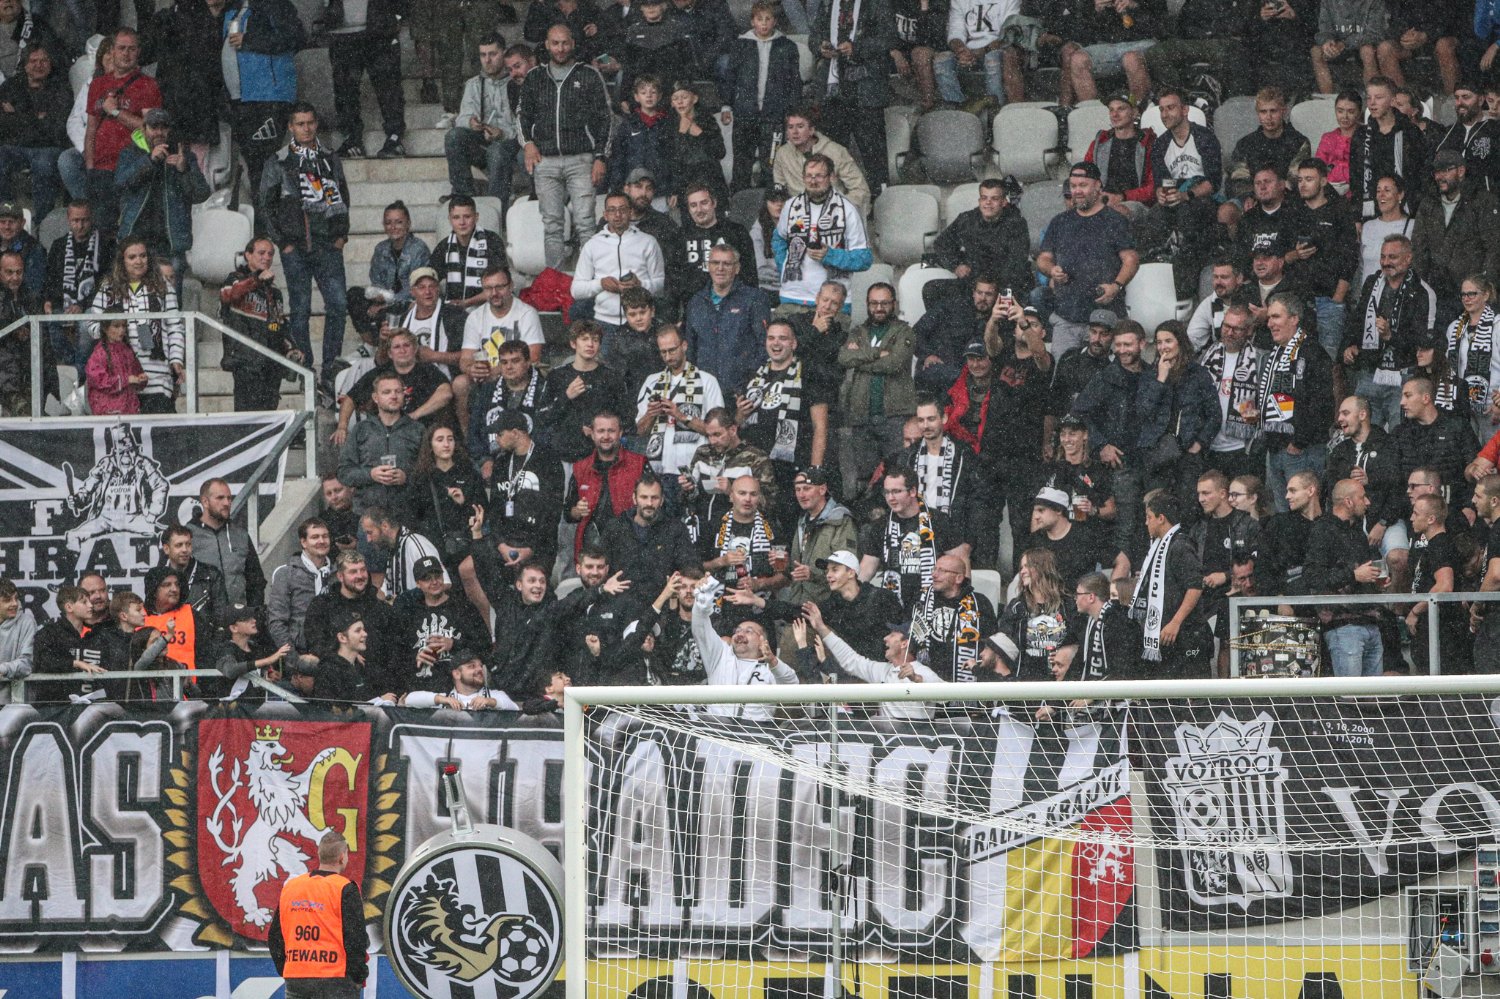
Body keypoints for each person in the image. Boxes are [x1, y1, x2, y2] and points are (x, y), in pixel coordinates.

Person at [259, 103, 350, 395]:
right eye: (300, 124)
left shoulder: (329, 157)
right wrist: (282, 243)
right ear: (291, 127)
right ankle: (306, 368)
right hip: (295, 246)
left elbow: (342, 195)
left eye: (310, 122)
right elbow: (266, 204)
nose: (306, 128)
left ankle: (331, 366)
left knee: (338, 305)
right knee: (300, 309)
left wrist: (341, 235)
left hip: (327, 244)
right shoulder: (279, 160)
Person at [1073, 322, 1170, 563]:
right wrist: (1100, 445)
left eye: (1128, 344)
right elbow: (1080, 411)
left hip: (1152, 461)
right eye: (1118, 345)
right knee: (1125, 527)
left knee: (1156, 523)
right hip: (1121, 462)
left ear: (1142, 344)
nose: (1122, 350)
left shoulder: (1153, 374)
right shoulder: (1106, 377)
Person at [518, 24, 611, 268]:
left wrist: (600, 156)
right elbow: (522, 115)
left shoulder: (589, 74)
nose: (560, 48)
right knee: (552, 225)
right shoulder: (535, 76)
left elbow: (605, 118)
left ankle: (590, 277)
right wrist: (527, 143)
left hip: (581, 159)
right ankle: (554, 280)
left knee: (585, 223)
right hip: (545, 160)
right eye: (555, 43)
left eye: (565, 43)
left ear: (573, 44)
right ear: (547, 45)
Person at [1036, 162, 1139, 359]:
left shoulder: (1115, 220)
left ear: (1098, 186)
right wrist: (1052, 270)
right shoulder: (1060, 221)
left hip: (1107, 319)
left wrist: (1116, 286)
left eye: (1083, 185)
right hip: (1067, 317)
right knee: (1063, 373)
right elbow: (1043, 259)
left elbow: (1131, 259)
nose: (1077, 191)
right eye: (1073, 186)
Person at [1344, 234, 1437, 429]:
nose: (1386, 262)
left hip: (1403, 377)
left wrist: (1390, 336)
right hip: (1370, 372)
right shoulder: (1372, 282)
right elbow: (1357, 319)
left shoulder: (1422, 292)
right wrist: (1350, 344)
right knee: (1365, 434)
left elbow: (1422, 341)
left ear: (1408, 258)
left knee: (1399, 435)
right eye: (1383, 256)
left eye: (1392, 257)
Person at [85, 239, 184, 413]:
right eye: (132, 257)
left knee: (158, 424)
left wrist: (176, 359)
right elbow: (92, 322)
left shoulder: (163, 285)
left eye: (143, 256)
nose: (139, 261)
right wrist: (111, 332)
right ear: (122, 261)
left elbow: (174, 325)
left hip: (156, 375)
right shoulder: (108, 288)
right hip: (121, 374)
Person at [837, 283, 915, 501]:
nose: (879, 308)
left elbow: (894, 363)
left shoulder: (904, 331)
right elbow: (844, 357)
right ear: (867, 304)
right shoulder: (857, 332)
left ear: (894, 304)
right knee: (865, 479)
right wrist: (877, 353)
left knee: (898, 476)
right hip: (861, 415)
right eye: (874, 303)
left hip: (895, 416)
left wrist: (861, 358)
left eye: (884, 303)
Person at [268, 828, 369, 995]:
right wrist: (357, 977)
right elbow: (356, 939)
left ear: (319, 854)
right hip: (335, 979)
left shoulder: (291, 887)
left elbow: (275, 937)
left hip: (297, 978)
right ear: (342, 856)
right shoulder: (345, 888)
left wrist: (287, 968)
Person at [808, 0, 894, 194]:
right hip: (834, 92)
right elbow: (813, 37)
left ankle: (880, 199)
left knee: (874, 156)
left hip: (865, 91)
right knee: (832, 156)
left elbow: (888, 38)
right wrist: (820, 47)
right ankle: (833, 200)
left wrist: (856, 48)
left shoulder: (877, 4)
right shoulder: (827, 3)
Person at [114, 107, 211, 277]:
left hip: (170, 243)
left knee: (172, 293)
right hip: (136, 239)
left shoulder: (184, 156)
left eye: (164, 127)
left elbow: (201, 194)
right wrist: (149, 161)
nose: (159, 132)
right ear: (144, 129)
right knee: (134, 291)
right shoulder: (130, 153)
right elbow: (120, 184)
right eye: (154, 127)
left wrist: (184, 170)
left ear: (170, 130)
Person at [1305, 478, 1387, 677]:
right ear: (1348, 502)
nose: (1367, 502)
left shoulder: (1357, 532)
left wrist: (1377, 579)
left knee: (1373, 694)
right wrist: (1354, 575)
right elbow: (1312, 576)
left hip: (1369, 622)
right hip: (1344, 626)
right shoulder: (1322, 530)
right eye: (1362, 497)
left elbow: (1364, 571)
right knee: (1350, 693)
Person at [220, 0, 304, 193]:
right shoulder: (234, 7)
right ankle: (262, 209)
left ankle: (269, 210)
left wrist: (249, 40)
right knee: (253, 162)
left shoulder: (276, 4)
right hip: (240, 98)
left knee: (264, 161)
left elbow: (296, 37)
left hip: (269, 96)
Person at [84, 30, 161, 234]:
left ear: (138, 52)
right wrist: (90, 167)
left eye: (131, 49)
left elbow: (151, 129)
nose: (126, 54)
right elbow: (91, 129)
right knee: (102, 231)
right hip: (101, 168)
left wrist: (116, 112)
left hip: (131, 167)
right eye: (121, 48)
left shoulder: (148, 85)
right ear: (112, 51)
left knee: (129, 231)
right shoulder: (98, 84)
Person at [1259, 293, 1333, 506]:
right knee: (1283, 515)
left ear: (1294, 319)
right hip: (1276, 446)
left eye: (1276, 317)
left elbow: (1323, 404)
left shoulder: (1312, 352)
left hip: (1302, 450)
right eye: (1269, 318)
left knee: (1304, 512)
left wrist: (1299, 441)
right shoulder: (1275, 354)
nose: (1270, 323)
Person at [772, 154, 872, 312]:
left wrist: (830, 255)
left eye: (819, 176)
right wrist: (784, 265)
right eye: (809, 176)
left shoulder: (847, 209)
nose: (813, 181)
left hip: (832, 301)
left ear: (831, 177)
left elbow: (864, 259)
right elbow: (778, 239)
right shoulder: (791, 205)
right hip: (792, 297)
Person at [1129, 491, 1211, 677]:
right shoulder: (1158, 546)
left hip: (1186, 635)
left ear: (1161, 519)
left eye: (1149, 517)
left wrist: (1175, 622)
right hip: (1168, 639)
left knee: (1191, 692)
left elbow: (1195, 586)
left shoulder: (1180, 545)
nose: (1146, 522)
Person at [859, 468, 968, 608]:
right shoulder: (880, 526)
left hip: (934, 605)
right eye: (887, 492)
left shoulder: (939, 521)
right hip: (894, 606)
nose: (891, 498)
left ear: (912, 491)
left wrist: (963, 599)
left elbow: (961, 561)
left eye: (897, 491)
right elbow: (867, 567)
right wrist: (854, 594)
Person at [1413, 151, 1500, 327]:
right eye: (1436, 172)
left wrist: (1486, 289)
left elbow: (1493, 248)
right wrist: (1419, 289)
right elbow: (1419, 249)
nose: (1439, 177)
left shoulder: (1482, 201)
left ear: (1461, 171)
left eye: (1445, 170)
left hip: (1473, 293)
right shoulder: (1428, 204)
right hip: (1437, 293)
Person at [636, 324, 725, 490]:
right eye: (663, 352)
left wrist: (681, 416)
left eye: (672, 350)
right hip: (660, 468)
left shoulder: (707, 381)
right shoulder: (651, 382)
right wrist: (650, 414)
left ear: (684, 345)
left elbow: (719, 431)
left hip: (696, 467)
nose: (668, 357)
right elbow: (640, 431)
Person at [219, 236, 300, 411]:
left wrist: (291, 347)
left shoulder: (274, 291)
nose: (266, 257)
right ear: (248, 255)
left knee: (270, 415)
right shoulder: (234, 278)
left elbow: (277, 325)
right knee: (246, 417)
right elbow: (228, 295)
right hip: (245, 361)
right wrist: (256, 280)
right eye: (261, 253)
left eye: (270, 254)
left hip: (270, 363)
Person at [1190, 470, 1260, 673]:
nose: (1201, 499)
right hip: (1204, 601)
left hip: (1236, 598)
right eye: (1199, 494)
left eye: (1206, 493)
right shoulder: (1198, 528)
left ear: (1222, 493)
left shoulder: (1247, 524)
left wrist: (1226, 576)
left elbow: (1258, 563)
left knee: (1229, 647)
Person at [727, 3, 799, 191]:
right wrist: (727, 105)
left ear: (775, 21)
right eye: (760, 19)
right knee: (742, 163)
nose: (764, 23)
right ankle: (739, 201)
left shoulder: (787, 46)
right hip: (745, 114)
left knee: (772, 163)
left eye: (768, 19)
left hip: (774, 116)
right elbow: (730, 78)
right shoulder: (740, 45)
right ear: (752, 21)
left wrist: (791, 112)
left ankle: (771, 203)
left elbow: (794, 82)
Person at [571, 190, 666, 333]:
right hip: (604, 323)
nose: (617, 215)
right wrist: (601, 284)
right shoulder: (592, 245)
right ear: (605, 215)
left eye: (622, 209)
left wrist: (640, 285)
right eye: (612, 210)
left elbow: (660, 285)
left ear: (630, 212)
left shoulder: (648, 242)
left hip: (640, 322)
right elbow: (576, 290)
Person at [324, 0, 405, 159]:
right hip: (342, 34)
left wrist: (395, 18)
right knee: (345, 90)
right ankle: (351, 138)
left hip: (379, 31)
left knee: (388, 86)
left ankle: (395, 137)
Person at [445, 35, 519, 207]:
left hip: (510, 144)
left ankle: (495, 206)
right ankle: (463, 196)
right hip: (483, 141)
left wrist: (502, 133)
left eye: (492, 54)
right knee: (454, 136)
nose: (487, 60)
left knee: (497, 150)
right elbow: (462, 118)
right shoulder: (474, 84)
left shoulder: (516, 81)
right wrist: (470, 122)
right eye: (483, 55)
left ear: (504, 53)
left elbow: (523, 125)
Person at [684, 245, 769, 394]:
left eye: (727, 264)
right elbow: (690, 349)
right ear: (708, 266)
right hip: (705, 389)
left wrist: (751, 381)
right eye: (715, 263)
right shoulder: (696, 302)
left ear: (737, 268)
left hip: (742, 389)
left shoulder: (754, 299)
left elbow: (764, 344)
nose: (720, 268)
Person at [338, 372, 424, 517]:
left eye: (398, 391)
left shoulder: (417, 430)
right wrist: (371, 474)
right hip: (367, 515)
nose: (394, 396)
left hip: (407, 514)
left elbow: (428, 471)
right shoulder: (360, 430)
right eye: (386, 392)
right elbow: (344, 473)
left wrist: (406, 477)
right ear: (375, 398)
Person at [1152, 321, 1221, 503]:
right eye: (1159, 342)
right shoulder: (1151, 374)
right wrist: (1160, 379)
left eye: (1168, 341)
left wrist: (1199, 443)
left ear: (1180, 342)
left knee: (1187, 506)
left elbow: (1214, 414)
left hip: (1188, 454)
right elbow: (1144, 410)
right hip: (1158, 455)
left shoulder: (1198, 374)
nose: (1163, 347)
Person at [599, 473, 702, 592]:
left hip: (663, 597)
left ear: (662, 500)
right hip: (622, 598)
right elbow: (600, 566)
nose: (649, 503)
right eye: (644, 497)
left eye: (654, 498)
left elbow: (690, 565)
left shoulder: (675, 529)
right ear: (634, 498)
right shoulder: (615, 528)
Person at [565, 410, 646, 559]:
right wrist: (577, 511)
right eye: (601, 431)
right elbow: (568, 514)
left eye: (611, 431)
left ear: (620, 433)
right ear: (592, 434)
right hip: (592, 549)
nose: (606, 436)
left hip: (630, 546)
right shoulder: (580, 468)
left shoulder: (640, 463)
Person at [0, 46, 70, 218]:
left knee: (43, 164)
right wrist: (37, 118)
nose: (39, 65)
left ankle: (42, 221)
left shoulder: (60, 87)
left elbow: (57, 127)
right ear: (24, 65)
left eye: (44, 60)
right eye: (33, 61)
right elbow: (3, 123)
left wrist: (16, 115)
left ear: (51, 64)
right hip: (14, 147)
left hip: (48, 147)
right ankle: (6, 214)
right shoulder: (10, 86)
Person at [931, 177, 1031, 297]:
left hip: (1005, 283)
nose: (988, 202)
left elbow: (1016, 262)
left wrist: (989, 285)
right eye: (984, 198)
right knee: (931, 289)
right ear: (979, 201)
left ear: (1004, 202)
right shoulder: (967, 219)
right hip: (973, 281)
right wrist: (956, 265)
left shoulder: (1016, 223)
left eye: (994, 199)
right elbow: (941, 244)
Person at [44, 201, 112, 371]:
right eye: (76, 220)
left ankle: (80, 370)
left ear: (91, 219)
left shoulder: (104, 244)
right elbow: (50, 280)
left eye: (84, 220)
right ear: (68, 220)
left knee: (85, 324)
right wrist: (48, 301)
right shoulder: (59, 246)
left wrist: (82, 305)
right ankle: (73, 366)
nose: (80, 225)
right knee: (48, 323)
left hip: (93, 305)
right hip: (64, 305)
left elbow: (106, 283)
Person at [1198, 304, 1264, 480]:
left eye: (1236, 329)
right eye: (1226, 326)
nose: (1229, 332)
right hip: (1209, 445)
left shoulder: (1260, 359)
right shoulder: (1206, 356)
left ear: (1249, 330)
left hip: (1243, 448)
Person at [345, 202, 429, 338]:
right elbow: (376, 280)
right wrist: (378, 296)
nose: (393, 227)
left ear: (408, 224)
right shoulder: (381, 249)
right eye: (388, 223)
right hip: (385, 301)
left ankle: (385, 340)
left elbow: (416, 286)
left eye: (399, 222)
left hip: (406, 301)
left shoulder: (418, 249)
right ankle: (369, 343)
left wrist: (388, 302)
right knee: (354, 295)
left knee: (397, 309)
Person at [1348, 77, 1426, 220]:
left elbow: (1420, 176)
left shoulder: (1410, 133)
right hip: (1370, 212)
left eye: (1378, 97)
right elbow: (1356, 179)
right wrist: (1357, 217)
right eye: (1369, 98)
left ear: (1392, 101)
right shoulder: (1361, 135)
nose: (1372, 103)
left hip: (1406, 212)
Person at [988, 548, 1072, 682]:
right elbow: (1004, 644)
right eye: (1021, 567)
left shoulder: (1067, 605)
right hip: (1024, 681)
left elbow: (1078, 642)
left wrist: (1067, 652)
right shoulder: (1017, 606)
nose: (1022, 571)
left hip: (1059, 681)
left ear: (1043, 567)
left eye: (1027, 566)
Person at [1407, 491, 1468, 674]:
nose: (1411, 518)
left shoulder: (1440, 545)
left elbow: (1444, 586)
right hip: (1436, 627)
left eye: (1416, 513)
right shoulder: (1436, 545)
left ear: (1431, 519)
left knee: (1439, 682)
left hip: (1442, 629)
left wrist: (1415, 611)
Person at [769, 108, 871, 215]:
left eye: (800, 126)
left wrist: (840, 209)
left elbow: (860, 190)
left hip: (834, 213)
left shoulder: (836, 151)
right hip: (799, 215)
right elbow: (779, 191)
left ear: (811, 130)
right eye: (790, 127)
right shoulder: (782, 154)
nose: (795, 132)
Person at [913, 276, 999, 396]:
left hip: (973, 372)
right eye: (979, 293)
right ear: (973, 293)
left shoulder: (999, 318)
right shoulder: (949, 307)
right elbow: (916, 332)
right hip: (941, 368)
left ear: (996, 297)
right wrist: (927, 354)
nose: (983, 298)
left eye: (988, 294)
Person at [188, 478, 265, 606]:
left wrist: (253, 612)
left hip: (238, 614)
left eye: (229, 498)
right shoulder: (188, 535)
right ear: (205, 502)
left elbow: (256, 580)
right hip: (202, 615)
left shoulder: (241, 535)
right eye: (220, 498)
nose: (226, 503)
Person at [1056, 570, 1141, 683]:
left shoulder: (1117, 622)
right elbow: (1078, 664)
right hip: (1097, 690)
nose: (1075, 599)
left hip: (1119, 691)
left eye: (1078, 594)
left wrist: (1094, 692)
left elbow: (1122, 669)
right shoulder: (1089, 623)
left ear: (1091, 597)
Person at [1084, 92, 1156, 219]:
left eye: (1121, 109)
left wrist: (1123, 197)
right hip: (1103, 200)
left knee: (1115, 213)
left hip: (1135, 203)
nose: (1114, 115)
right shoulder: (1099, 143)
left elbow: (1154, 187)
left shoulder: (1148, 144)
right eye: (1111, 110)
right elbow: (1085, 176)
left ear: (1135, 112)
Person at [430, 196, 506, 313]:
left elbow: (500, 285)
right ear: (449, 219)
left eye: (467, 216)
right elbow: (430, 278)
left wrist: (467, 302)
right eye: (456, 217)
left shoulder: (492, 241)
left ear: (476, 217)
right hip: (455, 310)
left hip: (489, 306)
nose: (462, 223)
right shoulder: (445, 246)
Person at [1449, 275, 1500, 446]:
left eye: (1472, 294)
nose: (1467, 298)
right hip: (1463, 405)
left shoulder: (1497, 325)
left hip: (1491, 405)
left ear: (1485, 295)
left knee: (1492, 456)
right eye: (1463, 294)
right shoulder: (1455, 328)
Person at [267, 518, 331, 652]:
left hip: (332, 652)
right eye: (315, 537)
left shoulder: (337, 573)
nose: (321, 541)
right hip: (300, 652)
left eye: (325, 536)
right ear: (303, 542)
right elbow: (277, 623)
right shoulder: (286, 574)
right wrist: (294, 659)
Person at [1431, 80, 1500, 194]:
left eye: (1465, 97)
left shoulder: (1495, 130)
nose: (1460, 102)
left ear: (1480, 100)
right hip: (1450, 200)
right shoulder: (1445, 133)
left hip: (1486, 200)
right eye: (1457, 98)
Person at [1376, 2, 1460, 94]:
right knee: (1385, 49)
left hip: (1442, 37)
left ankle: (1455, 97)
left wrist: (1427, 34)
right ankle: (1399, 98)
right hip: (1411, 43)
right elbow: (1392, 21)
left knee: (1444, 46)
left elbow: (1451, 18)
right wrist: (1404, 35)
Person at [1309, 0, 1384, 94]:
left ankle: (1373, 96)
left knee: (1367, 51)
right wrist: (1327, 41)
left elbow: (1373, 34)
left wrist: (1345, 44)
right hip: (1338, 47)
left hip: (1362, 46)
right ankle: (1328, 98)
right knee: (1316, 52)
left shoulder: (1374, 2)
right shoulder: (1328, 2)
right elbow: (1324, 29)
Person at [84, 317, 146, 414]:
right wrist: (126, 380)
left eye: (124, 326)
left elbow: (136, 375)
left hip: (129, 409)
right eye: (116, 326)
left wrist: (140, 379)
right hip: (107, 412)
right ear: (105, 328)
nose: (121, 330)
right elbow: (98, 381)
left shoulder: (127, 351)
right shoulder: (99, 354)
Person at [1315, 90, 1362, 194]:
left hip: (1358, 191)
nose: (1344, 116)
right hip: (1329, 192)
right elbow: (1318, 168)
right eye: (1340, 111)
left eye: (1351, 112)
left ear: (1359, 113)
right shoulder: (1328, 138)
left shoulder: (1365, 136)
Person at [0, 579, 35, 701]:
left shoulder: (27, 622)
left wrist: (3, 669)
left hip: (14, 702)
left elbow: (27, 663)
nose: (15, 604)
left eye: (16, 598)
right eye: (7, 600)